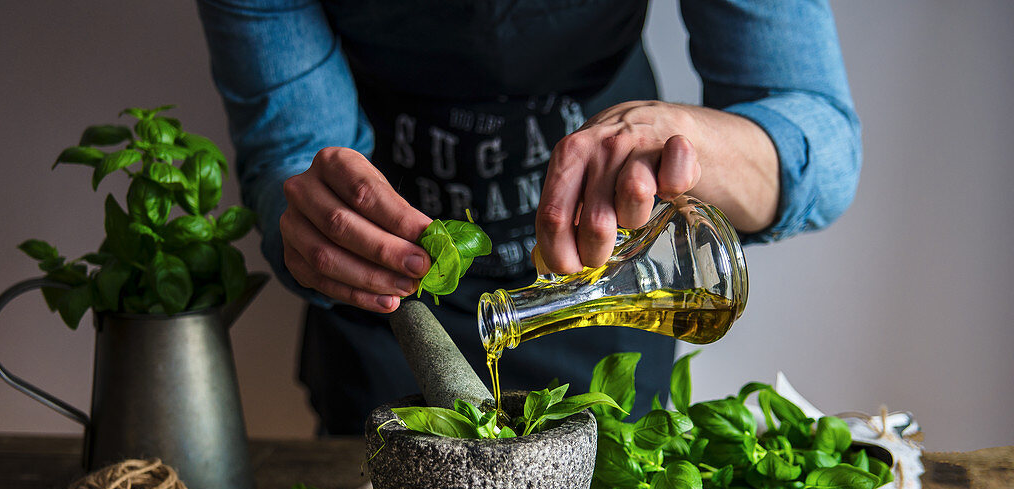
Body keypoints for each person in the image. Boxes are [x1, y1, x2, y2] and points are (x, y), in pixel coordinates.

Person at [196, 0, 861, 434]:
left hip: (610, 298)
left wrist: (689, 143)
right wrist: (316, 224)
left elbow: (821, 141)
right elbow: (293, 152)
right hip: (389, 332)